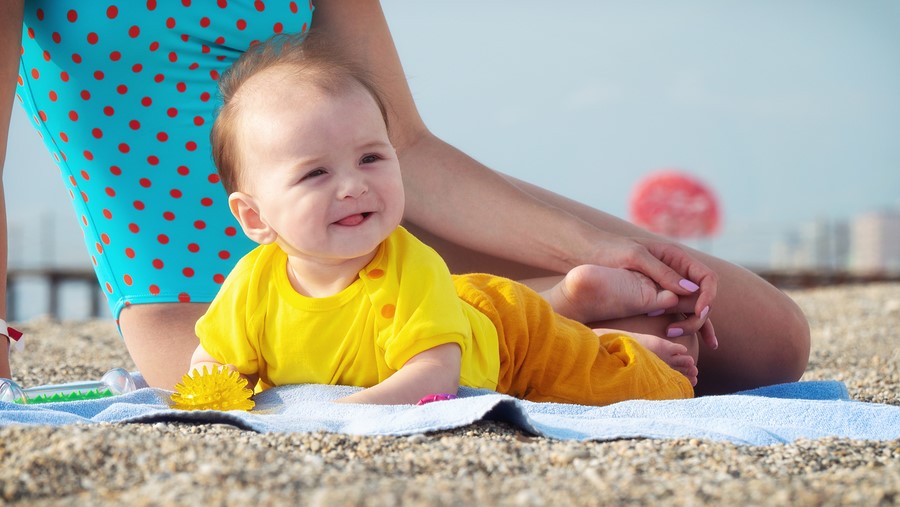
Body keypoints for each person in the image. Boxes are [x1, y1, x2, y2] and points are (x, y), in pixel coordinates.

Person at [0, 1, 808, 393]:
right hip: (199, 291)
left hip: (375, 224)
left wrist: (588, 243)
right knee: (630, 346)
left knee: (767, 337)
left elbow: (406, 147)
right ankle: (553, 304)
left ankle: (558, 293)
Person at [188, 34, 696, 405]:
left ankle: (623, 346)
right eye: (316, 173)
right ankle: (579, 302)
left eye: (371, 158)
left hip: (508, 337)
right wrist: (211, 395)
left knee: (607, 384)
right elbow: (213, 360)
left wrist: (348, 412)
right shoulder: (253, 283)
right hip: (456, 303)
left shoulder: (408, 268)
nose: (353, 185)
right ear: (255, 217)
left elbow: (434, 375)